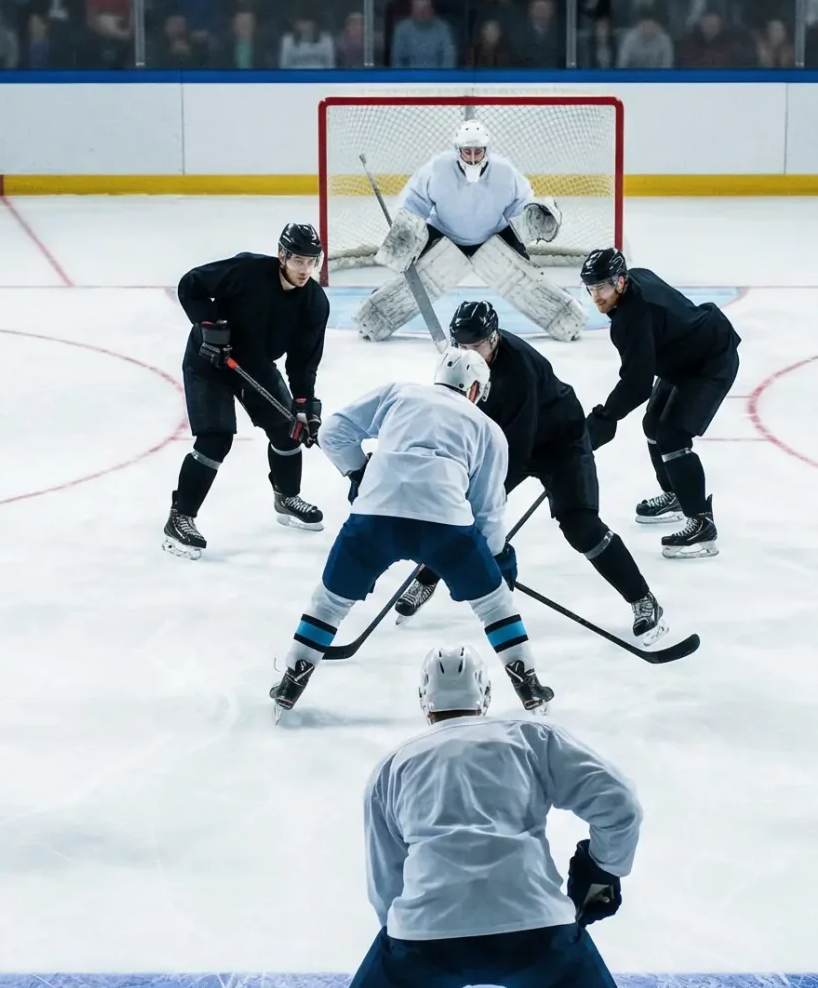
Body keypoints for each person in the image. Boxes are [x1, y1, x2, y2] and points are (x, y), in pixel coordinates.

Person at [277, 644, 684, 988]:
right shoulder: (530, 738)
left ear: (425, 702)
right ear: (486, 696)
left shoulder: (393, 766)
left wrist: (399, 952)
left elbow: (385, 882)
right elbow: (620, 807)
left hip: (423, 937)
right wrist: (602, 869)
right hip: (537, 930)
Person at [272, 350, 553, 717]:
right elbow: (488, 509)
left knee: (329, 602)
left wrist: (360, 474)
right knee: (495, 605)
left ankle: (293, 678)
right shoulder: (488, 429)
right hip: (446, 525)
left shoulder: (399, 393)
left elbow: (333, 432)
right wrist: (496, 559)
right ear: (474, 389)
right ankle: (527, 683)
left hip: (375, 516)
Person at [387, 302, 666, 641]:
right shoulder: (461, 363)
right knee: (459, 508)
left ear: (494, 338)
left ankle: (642, 598)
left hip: (560, 444)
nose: (469, 353)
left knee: (581, 526)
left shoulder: (519, 371)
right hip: (509, 438)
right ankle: (427, 578)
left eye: (477, 346)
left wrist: (479, 495)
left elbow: (514, 451)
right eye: (462, 345)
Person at [163, 223, 331, 558]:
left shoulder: (314, 303)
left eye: (312, 262)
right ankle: (179, 518)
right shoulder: (247, 270)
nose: (305, 270)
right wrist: (209, 326)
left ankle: (286, 497)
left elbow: (303, 362)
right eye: (298, 260)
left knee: (289, 429)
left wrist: (303, 404)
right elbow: (191, 285)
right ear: (282, 255)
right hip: (209, 362)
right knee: (216, 439)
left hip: (255, 364)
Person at [355, 119, 590, 344]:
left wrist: (537, 214)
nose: (473, 157)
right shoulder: (438, 168)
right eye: (467, 151)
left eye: (478, 151)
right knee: (413, 280)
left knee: (525, 279)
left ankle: (564, 315)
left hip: (494, 235)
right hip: (443, 232)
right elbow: (415, 201)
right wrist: (407, 232)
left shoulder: (505, 171)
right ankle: (376, 312)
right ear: (457, 150)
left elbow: (521, 208)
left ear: (486, 150)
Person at [579, 247, 735, 559]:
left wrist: (605, 417)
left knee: (673, 437)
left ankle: (702, 524)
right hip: (683, 357)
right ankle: (677, 494)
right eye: (591, 289)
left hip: (709, 360)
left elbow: (637, 384)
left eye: (602, 288)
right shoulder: (637, 279)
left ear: (620, 282)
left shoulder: (632, 318)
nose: (596, 297)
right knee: (653, 425)